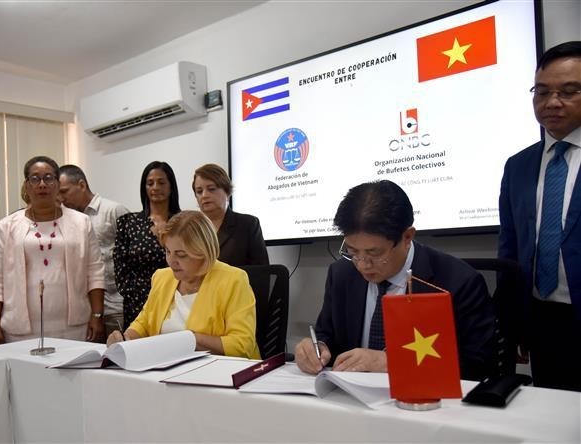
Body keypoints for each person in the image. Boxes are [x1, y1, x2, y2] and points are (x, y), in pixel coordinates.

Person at [295, 180, 496, 381]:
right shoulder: (341, 274)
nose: (363, 265)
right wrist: (316, 348)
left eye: (374, 253)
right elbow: (326, 334)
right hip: (352, 401)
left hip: (424, 403)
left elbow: (477, 367)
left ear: (407, 237)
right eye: (352, 251)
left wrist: (393, 362)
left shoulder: (458, 282)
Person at [498, 41, 581, 391]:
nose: (551, 102)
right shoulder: (518, 166)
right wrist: (513, 323)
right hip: (542, 321)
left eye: (568, 91)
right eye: (542, 91)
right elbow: (510, 248)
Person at [0, 156, 105, 344]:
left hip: (74, 328)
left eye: (49, 178)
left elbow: (95, 271)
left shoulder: (81, 222)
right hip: (20, 330)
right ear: (26, 185)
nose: (42, 184)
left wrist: (97, 315)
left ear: (57, 184)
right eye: (35, 179)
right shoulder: (6, 226)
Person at [107, 211, 260, 359]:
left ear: (204, 252)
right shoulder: (161, 277)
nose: (171, 261)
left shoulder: (233, 280)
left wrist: (189, 339)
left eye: (181, 255)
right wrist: (125, 339)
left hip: (222, 374)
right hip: (167, 370)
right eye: (167, 251)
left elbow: (242, 345)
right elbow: (144, 323)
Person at [59, 164, 130, 339]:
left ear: (81, 185)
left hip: (116, 306)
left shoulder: (113, 211)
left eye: (64, 191)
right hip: (86, 311)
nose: (61, 198)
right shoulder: (67, 220)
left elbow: (133, 256)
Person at [114, 161, 181, 328]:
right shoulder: (128, 222)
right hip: (137, 303)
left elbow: (188, 262)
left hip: (176, 299)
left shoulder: (183, 222)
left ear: (171, 186)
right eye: (150, 183)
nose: (155, 187)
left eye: (161, 182)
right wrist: (136, 294)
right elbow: (120, 267)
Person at [192, 163, 268, 266]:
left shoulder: (248, 224)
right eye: (199, 191)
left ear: (227, 191)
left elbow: (262, 271)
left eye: (211, 189)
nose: (204, 195)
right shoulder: (191, 228)